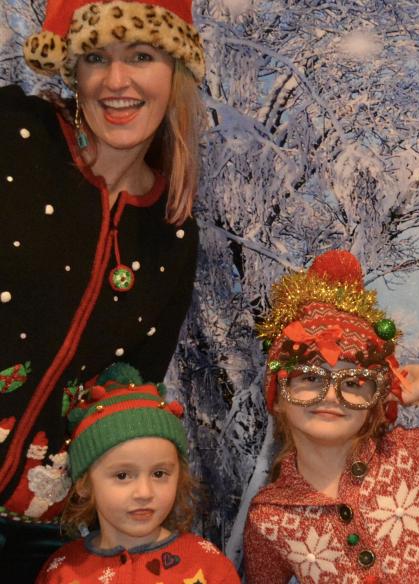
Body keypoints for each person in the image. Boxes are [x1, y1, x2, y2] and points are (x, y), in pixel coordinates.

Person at [0, 0, 205, 577]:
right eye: (96, 57)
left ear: (176, 71)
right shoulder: (14, 135)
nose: (117, 82)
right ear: (73, 70)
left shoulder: (172, 229)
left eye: (140, 56)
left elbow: (131, 387)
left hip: (53, 533)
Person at [242, 249, 419, 583]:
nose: (332, 395)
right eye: (310, 378)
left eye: (354, 382)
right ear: (278, 398)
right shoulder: (271, 515)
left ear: (375, 398)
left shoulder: (408, 456)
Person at [35, 363, 239, 583]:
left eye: (159, 474)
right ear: (84, 484)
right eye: (122, 476)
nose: (144, 492)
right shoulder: (63, 571)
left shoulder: (206, 564)